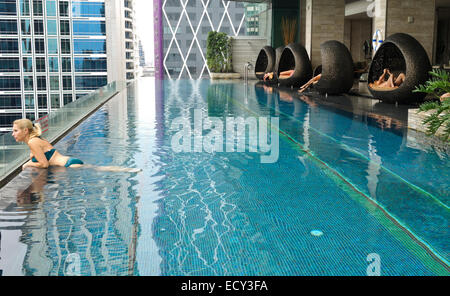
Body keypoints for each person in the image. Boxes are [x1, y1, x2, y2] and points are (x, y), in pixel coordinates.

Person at [12, 119, 141, 173]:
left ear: (25, 131)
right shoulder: (36, 140)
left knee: (100, 169)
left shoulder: (32, 142)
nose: (13, 134)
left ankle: (127, 170)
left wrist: (28, 164)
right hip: (69, 161)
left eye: (15, 131)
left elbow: (44, 164)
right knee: (98, 168)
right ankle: (127, 170)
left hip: (69, 164)